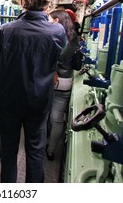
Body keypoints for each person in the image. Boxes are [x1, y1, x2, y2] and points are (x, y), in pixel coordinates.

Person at [0, 0, 66, 183]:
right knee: (35, 151)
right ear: (48, 5)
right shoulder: (57, 32)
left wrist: (6, 77)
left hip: (10, 101)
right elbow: (58, 59)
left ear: (22, 2)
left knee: (9, 151)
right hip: (39, 102)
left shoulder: (4, 31)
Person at [46, 9, 81, 161]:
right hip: (65, 82)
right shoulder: (74, 39)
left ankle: (44, 144)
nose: (48, 22)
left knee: (47, 115)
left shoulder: (55, 38)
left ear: (57, 21)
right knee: (57, 119)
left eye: (50, 20)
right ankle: (51, 150)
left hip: (51, 82)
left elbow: (54, 59)